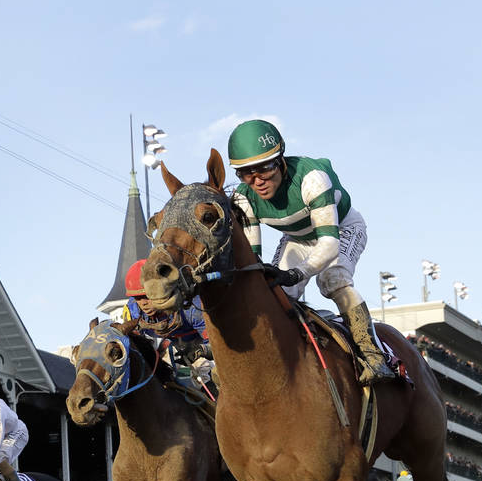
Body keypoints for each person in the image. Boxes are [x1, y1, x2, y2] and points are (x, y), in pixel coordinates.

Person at [228, 119, 393, 385]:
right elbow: (252, 260)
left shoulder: (312, 178)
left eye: (264, 169)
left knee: (333, 279)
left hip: (340, 229)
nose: (257, 181)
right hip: (297, 237)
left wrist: (297, 272)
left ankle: (373, 354)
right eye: (246, 173)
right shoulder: (243, 197)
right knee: (276, 294)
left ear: (280, 160)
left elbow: (328, 245)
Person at [122, 259, 215, 393]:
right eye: (137, 298)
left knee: (207, 375)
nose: (143, 303)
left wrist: (201, 350)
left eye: (147, 295)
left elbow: (217, 345)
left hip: (199, 350)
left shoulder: (190, 306)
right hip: (166, 353)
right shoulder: (132, 312)